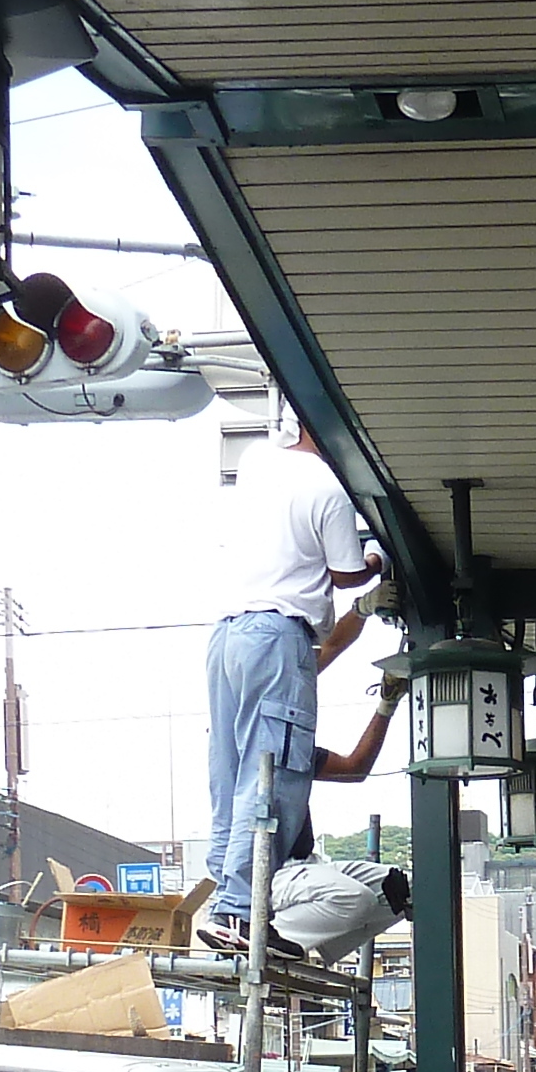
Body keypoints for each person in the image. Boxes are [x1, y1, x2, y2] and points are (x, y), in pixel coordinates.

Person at [201, 406, 397, 948]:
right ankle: (238, 910)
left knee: (235, 775)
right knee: (275, 776)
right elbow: (346, 573)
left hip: (228, 636)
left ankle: (234, 904)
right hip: (279, 630)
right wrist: (376, 561)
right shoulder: (331, 490)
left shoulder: (258, 460)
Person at [263, 856, 410, 965]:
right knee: (355, 898)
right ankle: (269, 935)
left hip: (307, 864)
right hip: (273, 875)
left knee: (406, 885)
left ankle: (308, 944)